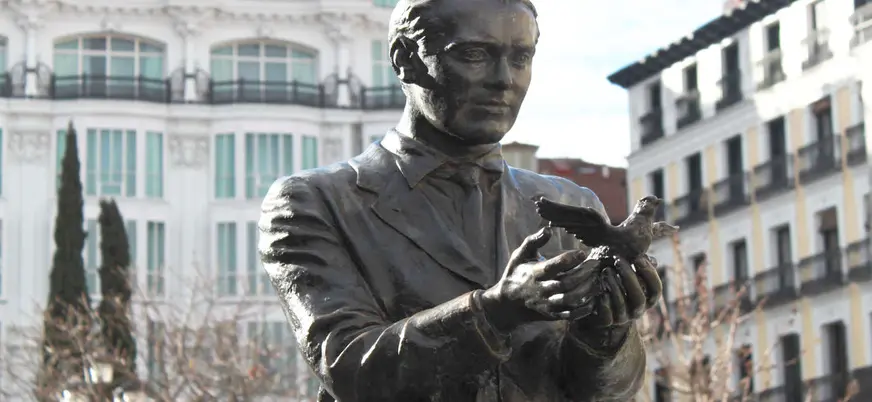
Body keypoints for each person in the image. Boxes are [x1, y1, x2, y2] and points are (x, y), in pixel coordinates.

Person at [259, 0, 663, 400]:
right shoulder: (315, 202)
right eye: (474, 55)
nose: (504, 80)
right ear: (406, 59)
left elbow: (608, 391)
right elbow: (349, 368)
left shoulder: (571, 201)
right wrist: (496, 309)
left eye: (521, 57)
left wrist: (606, 333)